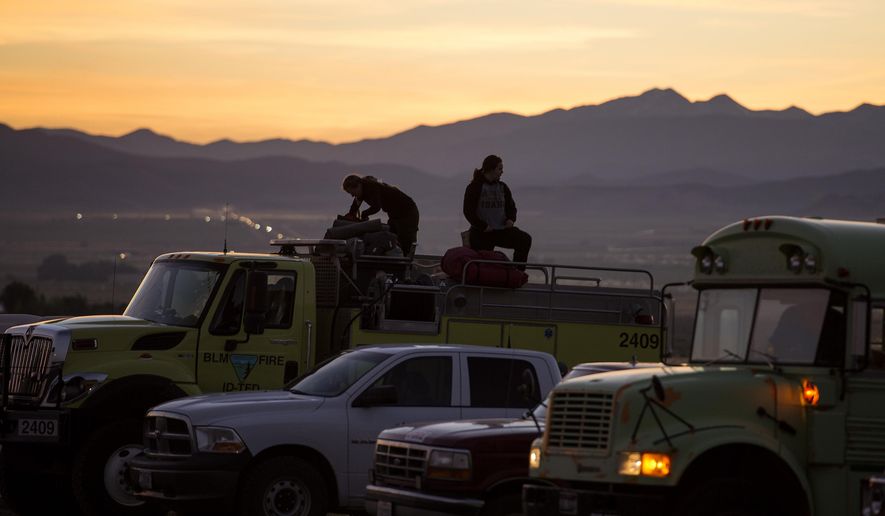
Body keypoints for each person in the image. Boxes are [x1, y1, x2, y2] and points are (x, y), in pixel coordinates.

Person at [463, 155, 532, 268]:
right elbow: (468, 211)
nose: (502, 172)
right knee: (482, 266)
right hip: (482, 233)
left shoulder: (502, 187)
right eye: (499, 169)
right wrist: (483, 226)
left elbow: (511, 207)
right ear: (491, 169)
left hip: (501, 230)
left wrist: (511, 219)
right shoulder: (475, 187)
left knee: (524, 240)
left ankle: (518, 273)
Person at [342, 174, 420, 255]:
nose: (352, 196)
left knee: (406, 240)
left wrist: (364, 214)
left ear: (357, 186)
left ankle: (407, 264)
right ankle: (398, 262)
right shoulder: (361, 190)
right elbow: (354, 208)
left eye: (352, 192)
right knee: (393, 238)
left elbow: (376, 207)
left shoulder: (371, 187)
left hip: (407, 212)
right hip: (394, 215)